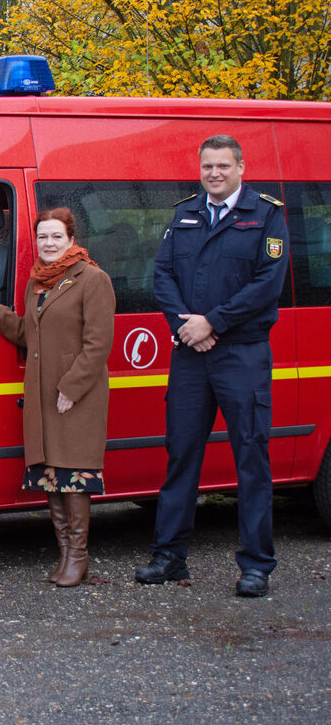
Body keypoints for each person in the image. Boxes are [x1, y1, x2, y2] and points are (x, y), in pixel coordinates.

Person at [136, 135, 289, 598]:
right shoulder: (186, 213)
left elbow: (268, 284)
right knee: (182, 455)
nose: (215, 173)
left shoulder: (267, 214)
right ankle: (169, 556)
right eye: (207, 166)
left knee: (251, 459)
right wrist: (187, 327)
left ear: (242, 166)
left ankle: (257, 564)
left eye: (223, 165)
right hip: (190, 356)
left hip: (241, 353)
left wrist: (212, 323)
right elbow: (161, 274)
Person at [0, 207, 115, 587]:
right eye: (42, 237)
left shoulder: (92, 279)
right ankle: (65, 553)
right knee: (50, 474)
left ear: (71, 239)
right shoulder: (38, 282)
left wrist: (72, 388)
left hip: (75, 395)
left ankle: (78, 556)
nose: (48, 244)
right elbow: (30, 334)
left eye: (56, 236)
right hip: (41, 395)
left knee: (74, 474)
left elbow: (99, 344)